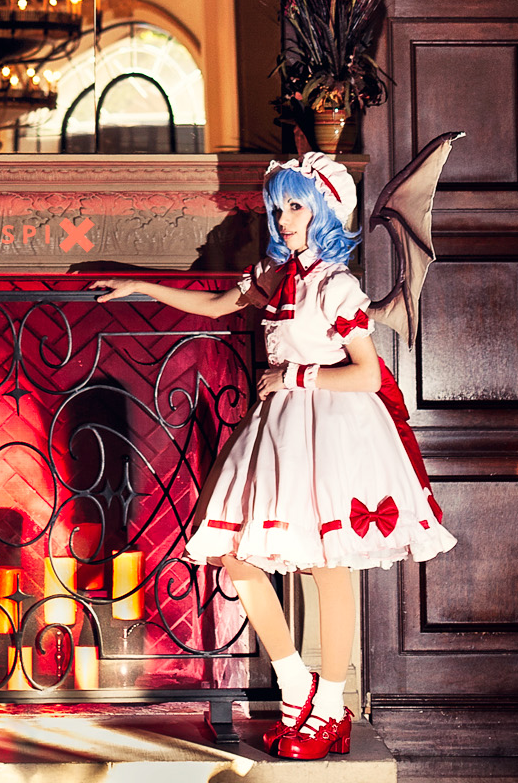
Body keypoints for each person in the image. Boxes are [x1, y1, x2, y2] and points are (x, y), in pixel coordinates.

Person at [94, 151, 455, 760]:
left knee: (328, 567)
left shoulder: (338, 286)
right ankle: (295, 685)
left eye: (296, 206)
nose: (284, 219)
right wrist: (141, 286)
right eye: (278, 207)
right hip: (280, 428)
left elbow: (368, 375)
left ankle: (331, 706)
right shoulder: (274, 272)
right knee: (234, 554)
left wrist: (293, 378)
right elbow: (217, 306)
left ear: (324, 210)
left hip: (332, 428)